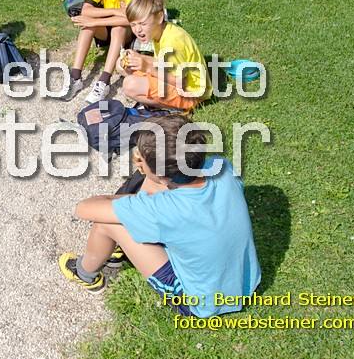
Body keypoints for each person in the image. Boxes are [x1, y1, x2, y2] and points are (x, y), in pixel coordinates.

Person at [58, 115, 261, 317]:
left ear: (161, 175)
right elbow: (170, 188)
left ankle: (84, 274)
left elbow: (83, 208)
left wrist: (145, 178)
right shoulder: (222, 166)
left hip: (201, 303)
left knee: (107, 223)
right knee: (140, 213)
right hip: (246, 282)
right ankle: (117, 250)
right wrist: (150, 172)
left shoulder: (162, 209)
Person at [63, 0, 144, 103]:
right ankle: (76, 77)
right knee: (88, 25)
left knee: (118, 28)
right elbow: (86, 10)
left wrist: (96, 20)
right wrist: (116, 11)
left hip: (125, 34)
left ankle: (104, 82)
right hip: (106, 29)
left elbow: (131, 18)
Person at [118, 0, 212, 111]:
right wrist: (139, 58)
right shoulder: (161, 31)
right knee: (120, 65)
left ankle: (171, 108)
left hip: (191, 94)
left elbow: (181, 82)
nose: (137, 30)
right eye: (133, 25)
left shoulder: (172, 42)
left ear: (159, 17)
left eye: (143, 24)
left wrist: (147, 68)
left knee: (130, 85)